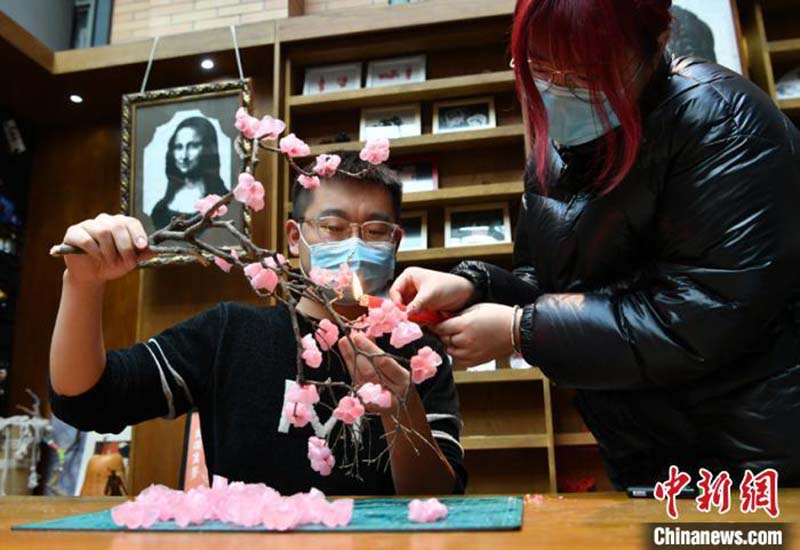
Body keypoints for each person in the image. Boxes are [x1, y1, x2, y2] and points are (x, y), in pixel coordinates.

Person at [390, 0, 800, 489]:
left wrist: (521, 330)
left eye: (586, 71)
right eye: (539, 67)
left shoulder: (723, 125)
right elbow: (548, 286)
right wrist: (473, 287)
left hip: (755, 459)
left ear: (657, 42)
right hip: (650, 455)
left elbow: (699, 318)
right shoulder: (558, 150)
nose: (559, 88)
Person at [49, 151, 465, 496]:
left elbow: (441, 499)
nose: (352, 246)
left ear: (394, 242)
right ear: (293, 237)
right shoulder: (230, 334)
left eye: (374, 231)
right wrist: (82, 283)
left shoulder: (420, 352)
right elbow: (87, 400)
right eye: (333, 227)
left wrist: (403, 409)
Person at [149, 116, 229, 230]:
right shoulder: (160, 209)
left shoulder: (223, 203)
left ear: (209, 148)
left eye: (193, 146)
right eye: (178, 147)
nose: (184, 156)